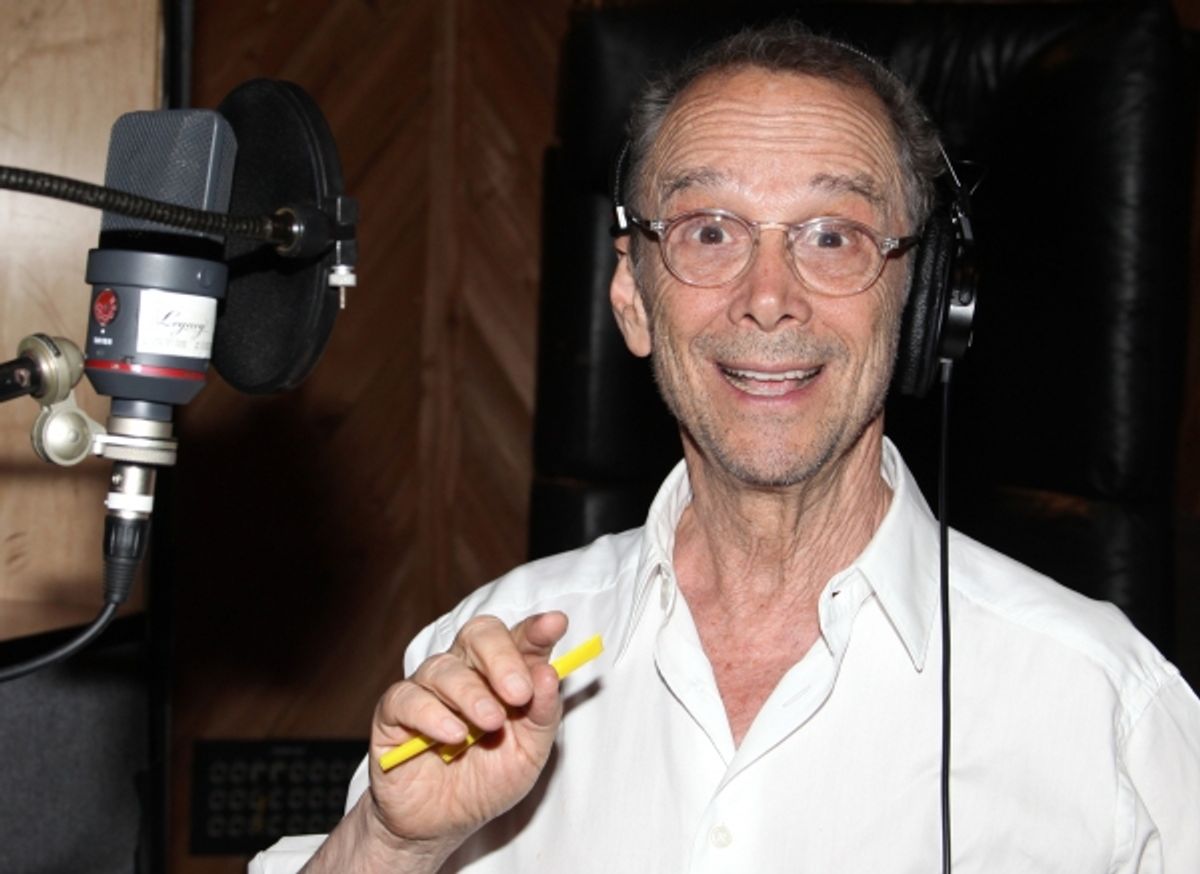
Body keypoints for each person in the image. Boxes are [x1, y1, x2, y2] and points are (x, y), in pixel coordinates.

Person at [252, 20, 1200, 873]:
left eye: (832, 236)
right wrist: (390, 845)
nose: (769, 294)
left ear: (917, 301)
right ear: (632, 297)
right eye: (710, 231)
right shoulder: (479, 659)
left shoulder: (1104, 706)